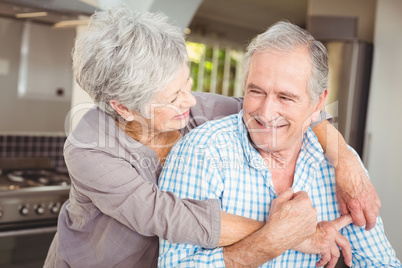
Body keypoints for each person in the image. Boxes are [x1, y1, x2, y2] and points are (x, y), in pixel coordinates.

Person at [45, 6, 381, 268]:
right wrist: (292, 235)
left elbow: (283, 109)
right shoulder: (90, 150)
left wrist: (345, 161)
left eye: (186, 85)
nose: (190, 103)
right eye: (173, 98)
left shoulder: (199, 111)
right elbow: (168, 216)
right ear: (124, 108)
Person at [158, 21, 401, 267]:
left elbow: (380, 263)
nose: (266, 111)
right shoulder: (202, 150)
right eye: (256, 92)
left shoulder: (341, 166)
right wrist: (271, 241)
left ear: (319, 103)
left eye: (285, 97)